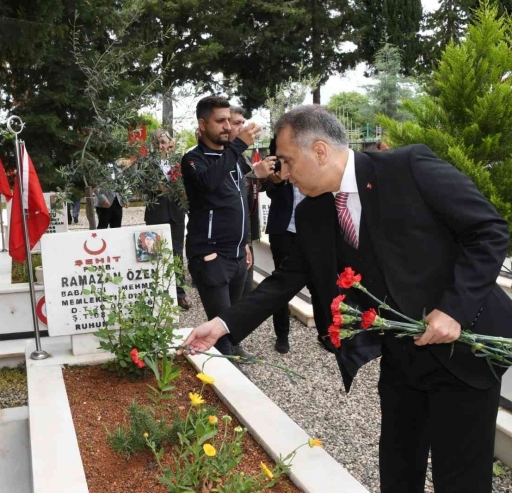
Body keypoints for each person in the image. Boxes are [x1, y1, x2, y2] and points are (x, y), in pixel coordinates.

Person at [180, 105, 512, 493]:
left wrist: (454, 309)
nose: (282, 173)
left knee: (461, 481)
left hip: (464, 351)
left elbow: (488, 231)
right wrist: (221, 324)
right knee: (398, 474)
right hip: (402, 359)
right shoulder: (315, 213)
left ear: (319, 151)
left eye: (287, 161)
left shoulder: (409, 168)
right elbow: (285, 280)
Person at [181, 96, 274, 356]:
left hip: (236, 253)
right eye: (219, 121)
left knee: (231, 321)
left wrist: (245, 243)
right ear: (202, 123)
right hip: (211, 255)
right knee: (219, 327)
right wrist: (238, 145)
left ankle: (233, 352)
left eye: (228, 121)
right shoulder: (193, 159)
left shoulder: (233, 158)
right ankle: (232, 376)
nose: (227, 127)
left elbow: (239, 203)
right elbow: (209, 183)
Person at [259, 136, 307, 354]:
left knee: (320, 282)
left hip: (310, 231)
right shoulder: (276, 162)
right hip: (283, 232)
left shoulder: (311, 160)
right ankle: (282, 334)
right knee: (281, 284)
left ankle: (328, 332)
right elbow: (269, 188)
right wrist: (278, 180)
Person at [145, 129, 190, 310]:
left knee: (178, 253)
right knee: (155, 254)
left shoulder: (177, 161)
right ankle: (158, 295)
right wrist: (156, 188)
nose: (164, 145)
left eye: (166, 141)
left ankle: (179, 294)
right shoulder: (146, 163)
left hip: (176, 213)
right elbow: (143, 186)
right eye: (160, 142)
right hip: (156, 214)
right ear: (155, 145)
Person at [95, 162, 128, 229]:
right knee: (103, 227)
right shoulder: (98, 166)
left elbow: (122, 183)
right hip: (104, 203)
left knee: (117, 227)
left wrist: (125, 198)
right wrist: (103, 199)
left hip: (117, 202)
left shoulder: (117, 167)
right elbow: (95, 186)